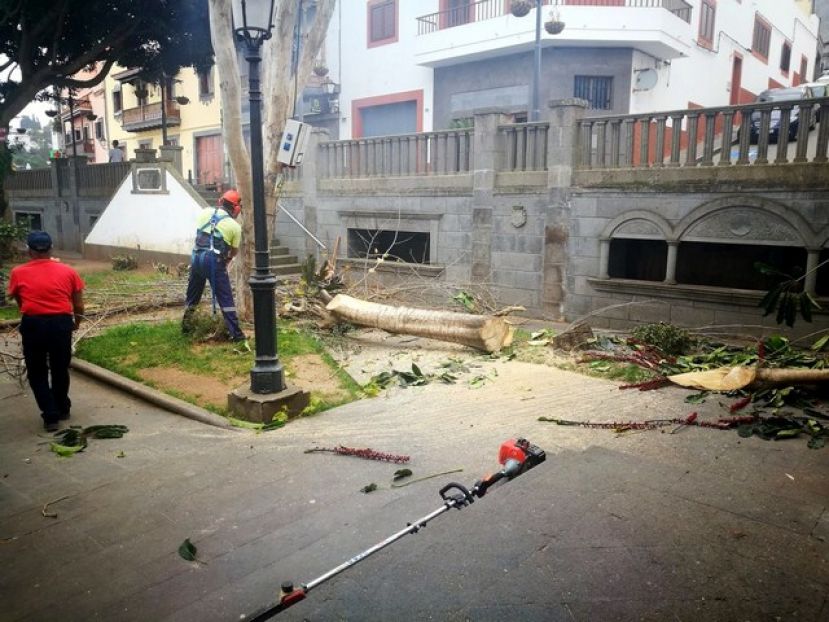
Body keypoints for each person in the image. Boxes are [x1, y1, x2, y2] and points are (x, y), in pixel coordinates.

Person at [7, 231, 85, 432]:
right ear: (51, 249)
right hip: (61, 324)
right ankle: (62, 408)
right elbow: (78, 305)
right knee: (60, 368)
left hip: (33, 325)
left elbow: (19, 299)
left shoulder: (18, 272)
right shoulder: (68, 271)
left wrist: (30, 313)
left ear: (29, 251)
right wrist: (76, 323)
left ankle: (50, 417)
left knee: (37, 371)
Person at [182, 189, 247, 343]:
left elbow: (201, 233)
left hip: (196, 257)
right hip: (213, 261)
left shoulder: (205, 212)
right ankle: (236, 335)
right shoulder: (235, 227)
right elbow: (234, 251)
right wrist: (227, 260)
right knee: (225, 298)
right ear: (236, 208)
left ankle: (186, 326)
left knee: (193, 295)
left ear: (221, 201)